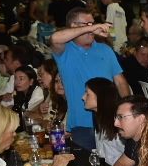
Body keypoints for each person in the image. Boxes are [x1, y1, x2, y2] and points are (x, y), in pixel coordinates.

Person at [52, 10, 129, 148]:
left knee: (112, 165)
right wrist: (91, 27)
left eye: (92, 24)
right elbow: (55, 38)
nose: (93, 29)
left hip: (108, 123)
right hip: (80, 125)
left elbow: (120, 81)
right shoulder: (65, 50)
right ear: (73, 26)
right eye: (87, 24)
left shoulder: (105, 49)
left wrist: (127, 111)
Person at [112, 94, 148, 166]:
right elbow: (123, 164)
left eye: (121, 117)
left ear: (141, 119)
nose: (115, 123)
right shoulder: (133, 140)